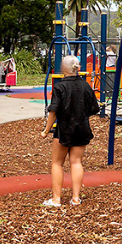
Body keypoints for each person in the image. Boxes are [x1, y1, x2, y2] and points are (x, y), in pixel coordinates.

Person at [43, 54, 101, 207]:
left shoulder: (60, 87)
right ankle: (75, 198)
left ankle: (56, 199)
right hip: (81, 127)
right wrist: (80, 114)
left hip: (64, 128)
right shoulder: (85, 86)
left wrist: (46, 130)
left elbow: (53, 111)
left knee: (57, 163)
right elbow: (94, 108)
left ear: (63, 69)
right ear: (78, 68)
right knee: (76, 162)